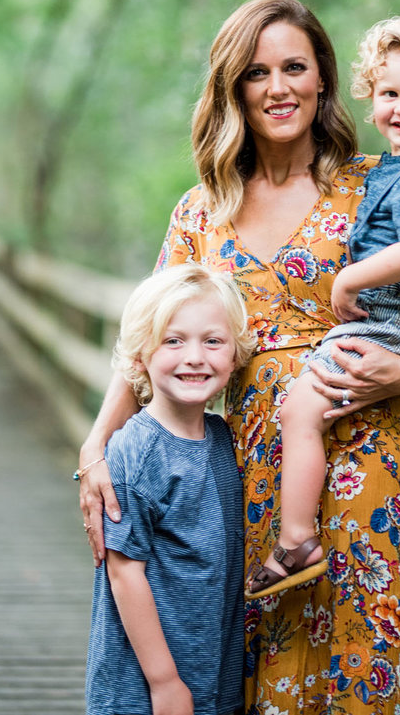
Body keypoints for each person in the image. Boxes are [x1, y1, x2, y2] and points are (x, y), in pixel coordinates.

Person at [77, 0, 400, 714]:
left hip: (370, 460)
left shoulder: (377, 182)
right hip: (257, 472)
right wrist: (96, 445)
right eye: (257, 72)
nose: (279, 86)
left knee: (367, 663)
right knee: (273, 669)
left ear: (323, 78)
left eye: (295, 66)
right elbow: (144, 341)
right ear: (233, 87)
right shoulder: (201, 210)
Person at [250, 14, 400, 599]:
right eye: (390, 93)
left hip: (398, 316)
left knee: (301, 410)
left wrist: (349, 279)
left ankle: (297, 539)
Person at [86, 263, 248, 715]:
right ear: (140, 357)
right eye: (173, 341)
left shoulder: (221, 440)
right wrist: (164, 682)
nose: (194, 357)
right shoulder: (135, 451)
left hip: (213, 672)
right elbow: (123, 571)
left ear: (235, 355)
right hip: (144, 686)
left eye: (212, 341)